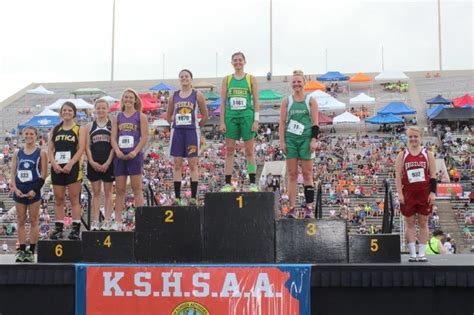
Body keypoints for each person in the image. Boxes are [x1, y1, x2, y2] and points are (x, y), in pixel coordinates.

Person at [279, 70, 320, 219]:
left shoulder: (311, 100)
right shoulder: (286, 101)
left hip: (306, 139)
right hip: (291, 139)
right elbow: (282, 123)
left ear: (304, 83)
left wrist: (313, 140)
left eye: (299, 81)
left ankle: (309, 208)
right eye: (294, 81)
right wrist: (282, 141)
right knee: (292, 175)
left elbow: (315, 123)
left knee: (308, 174)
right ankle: (291, 208)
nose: (296, 84)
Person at [219, 52, 260, 192]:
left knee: (249, 150)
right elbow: (223, 102)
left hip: (247, 116)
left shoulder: (250, 79)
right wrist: (222, 121)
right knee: (229, 150)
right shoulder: (227, 79)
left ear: (244, 61)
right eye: (235, 60)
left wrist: (256, 119)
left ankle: (253, 183)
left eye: (240, 60)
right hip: (231, 117)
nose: (237, 62)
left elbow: (256, 101)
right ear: (232, 63)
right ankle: (227, 183)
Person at [166, 69, 208, 206]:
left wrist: (197, 125)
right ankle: (177, 197)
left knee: (192, 164)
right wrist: (175, 123)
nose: (184, 78)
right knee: (177, 164)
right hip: (177, 132)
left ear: (191, 79)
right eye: (182, 76)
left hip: (191, 132)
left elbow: (205, 115)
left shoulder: (197, 95)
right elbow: (168, 116)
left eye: (187, 76)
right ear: (179, 79)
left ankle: (194, 197)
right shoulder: (174, 96)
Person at [396, 126, 437, 262]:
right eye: (410, 137)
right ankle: (413, 253)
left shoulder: (428, 154)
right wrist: (400, 194)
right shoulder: (402, 155)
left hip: (424, 193)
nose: (413, 139)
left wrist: (432, 192)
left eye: (415, 136)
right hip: (408, 193)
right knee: (410, 223)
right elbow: (397, 176)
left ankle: (422, 253)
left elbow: (433, 175)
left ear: (420, 137)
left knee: (423, 222)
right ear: (407, 138)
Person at [111, 88, 148, 230]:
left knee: (136, 189)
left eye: (131, 97)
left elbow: (144, 137)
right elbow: (113, 138)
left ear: (135, 100)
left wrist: (135, 151)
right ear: (123, 100)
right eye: (125, 97)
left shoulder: (141, 116)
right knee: (120, 190)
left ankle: (141, 220)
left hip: (134, 156)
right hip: (120, 156)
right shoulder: (117, 117)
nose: (128, 100)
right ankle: (118, 221)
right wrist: (117, 151)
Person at [48, 102, 86, 240]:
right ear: (61, 112)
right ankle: (59, 228)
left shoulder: (79, 129)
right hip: (57, 167)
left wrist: (70, 164)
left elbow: (81, 148)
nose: (67, 112)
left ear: (74, 113)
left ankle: (75, 228)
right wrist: (54, 164)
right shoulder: (55, 129)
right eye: (64, 110)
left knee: (74, 198)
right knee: (58, 199)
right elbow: (50, 150)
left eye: (70, 110)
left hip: (73, 166)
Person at [10, 127, 48, 262]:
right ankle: (21, 251)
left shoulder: (41, 153)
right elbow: (13, 173)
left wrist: (35, 190)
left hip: (34, 189)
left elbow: (44, 174)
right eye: (27, 133)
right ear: (23, 135)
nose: (29, 136)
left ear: (36, 136)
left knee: (33, 220)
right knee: (20, 220)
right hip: (20, 189)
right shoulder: (17, 153)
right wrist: (15, 188)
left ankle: (31, 252)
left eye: (32, 134)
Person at [85, 99, 115, 230]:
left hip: (109, 162)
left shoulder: (112, 125)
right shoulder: (89, 126)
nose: (101, 110)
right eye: (99, 108)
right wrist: (91, 161)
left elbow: (114, 145)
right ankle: (96, 221)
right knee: (96, 193)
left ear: (108, 109)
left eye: (103, 108)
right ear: (95, 109)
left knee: (108, 192)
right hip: (94, 163)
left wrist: (108, 162)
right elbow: (87, 146)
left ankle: (108, 220)